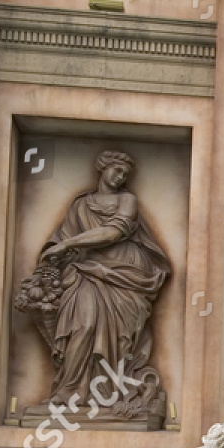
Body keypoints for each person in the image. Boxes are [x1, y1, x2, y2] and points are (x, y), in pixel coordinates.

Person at [33, 150, 169, 409]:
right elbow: (62, 240)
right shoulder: (80, 205)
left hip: (125, 274)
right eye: (116, 171)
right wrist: (55, 257)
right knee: (83, 325)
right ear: (102, 168)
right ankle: (69, 392)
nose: (120, 177)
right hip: (84, 271)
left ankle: (107, 393)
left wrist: (67, 244)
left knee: (117, 336)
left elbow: (113, 232)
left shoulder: (127, 200)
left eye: (125, 174)